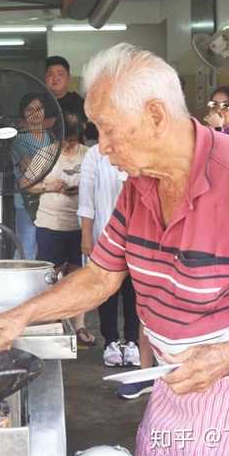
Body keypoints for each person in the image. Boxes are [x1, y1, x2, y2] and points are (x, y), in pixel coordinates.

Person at [0, 43, 229, 456]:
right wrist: (22, 316)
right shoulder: (138, 187)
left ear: (156, 116)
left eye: (108, 129)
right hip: (177, 380)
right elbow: (102, 275)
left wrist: (225, 357)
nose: (101, 147)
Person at [30, 112, 94, 347]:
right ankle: (52, 321)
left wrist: (81, 189)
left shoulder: (89, 156)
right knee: (51, 275)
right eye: (65, 140)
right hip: (50, 224)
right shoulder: (46, 154)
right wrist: (48, 186)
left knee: (78, 277)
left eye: (73, 140)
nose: (68, 145)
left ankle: (79, 326)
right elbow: (28, 185)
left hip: (79, 225)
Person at [78, 144, 140, 364]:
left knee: (135, 291)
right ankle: (111, 341)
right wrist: (86, 235)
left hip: (138, 235)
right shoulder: (95, 154)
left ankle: (133, 341)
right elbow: (86, 200)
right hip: (104, 234)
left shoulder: (140, 149)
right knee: (107, 290)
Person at [12, 92, 54, 260]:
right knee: (26, 243)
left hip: (47, 197)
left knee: (42, 245)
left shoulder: (49, 136)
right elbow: (29, 166)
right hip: (26, 200)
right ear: (23, 113)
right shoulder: (18, 139)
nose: (35, 114)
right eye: (30, 110)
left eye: (39, 109)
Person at [45, 55, 97, 142]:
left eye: (60, 74)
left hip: (74, 153)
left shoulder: (80, 102)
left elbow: (94, 132)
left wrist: (79, 125)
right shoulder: (37, 103)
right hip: (44, 153)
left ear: (69, 78)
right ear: (45, 78)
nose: (55, 78)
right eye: (50, 74)